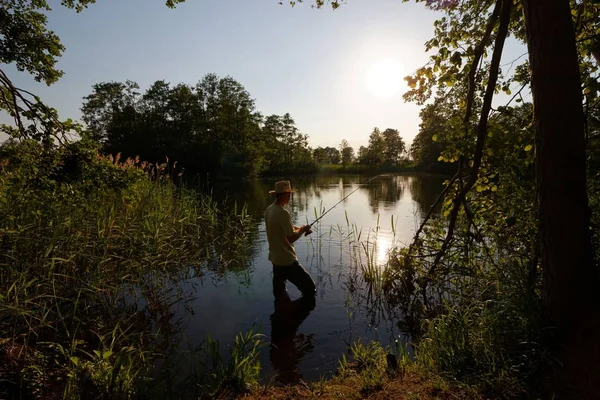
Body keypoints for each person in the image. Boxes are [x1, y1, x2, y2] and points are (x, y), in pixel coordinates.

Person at [264, 180, 317, 302]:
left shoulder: (269, 210)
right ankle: (293, 316)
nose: (290, 196)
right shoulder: (283, 213)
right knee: (310, 289)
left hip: (275, 259)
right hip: (287, 260)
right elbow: (291, 237)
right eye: (289, 194)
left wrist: (302, 228)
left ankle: (281, 314)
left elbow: (283, 229)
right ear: (283, 195)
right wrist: (303, 229)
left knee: (279, 290)